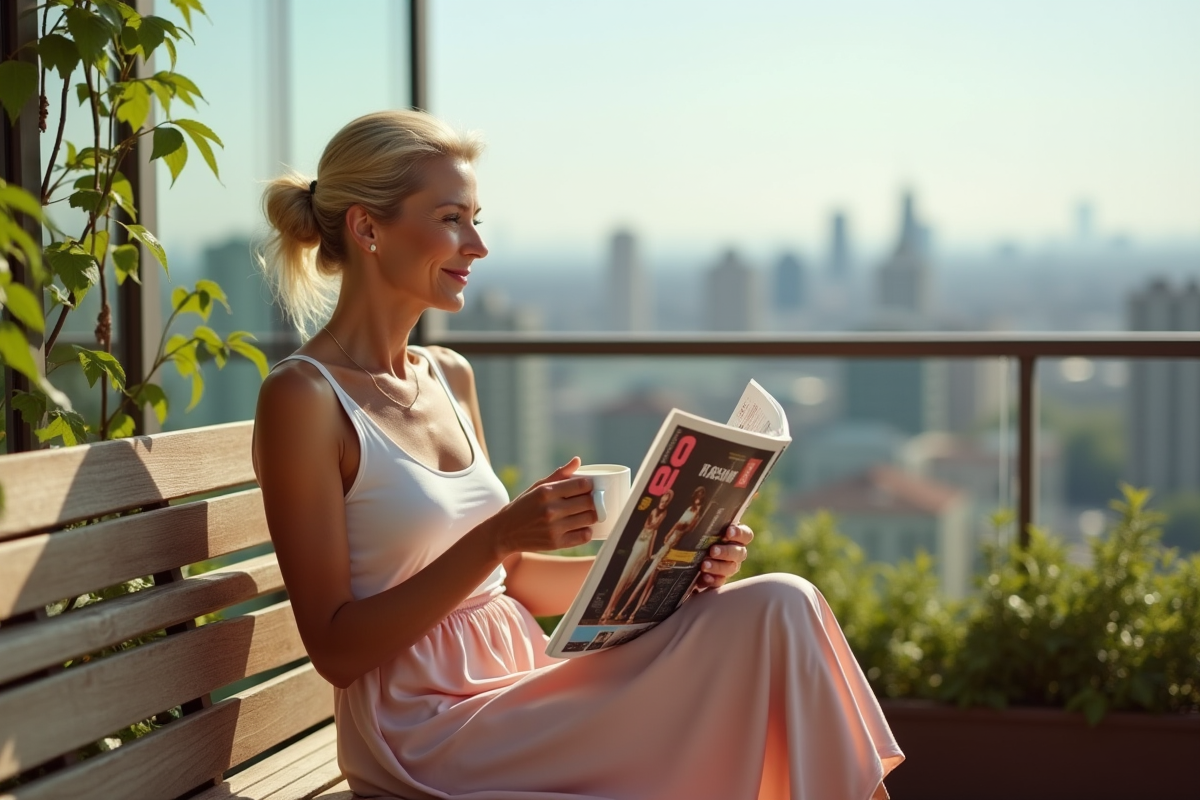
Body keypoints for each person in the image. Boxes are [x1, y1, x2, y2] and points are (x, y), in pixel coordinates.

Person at [253, 109, 903, 800]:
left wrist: (667, 568)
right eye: (451, 218)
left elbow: (509, 583)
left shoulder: (449, 375)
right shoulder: (305, 398)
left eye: (477, 218)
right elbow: (336, 649)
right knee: (775, 622)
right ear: (367, 227)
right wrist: (499, 535)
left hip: (521, 687)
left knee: (781, 603)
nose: (476, 244)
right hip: (426, 731)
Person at [611, 485, 708, 623]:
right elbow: (677, 525)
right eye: (697, 496)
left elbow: (687, 529)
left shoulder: (697, 514)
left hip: (673, 547)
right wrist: (669, 535)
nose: (698, 499)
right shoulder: (688, 509)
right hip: (667, 544)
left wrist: (680, 530)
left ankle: (632, 613)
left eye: (700, 497)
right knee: (645, 580)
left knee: (650, 583)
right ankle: (626, 611)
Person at [598, 488, 673, 623]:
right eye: (662, 500)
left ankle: (612, 609)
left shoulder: (664, 513)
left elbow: (654, 533)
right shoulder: (654, 511)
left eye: (666, 502)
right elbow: (649, 530)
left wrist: (650, 553)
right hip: (639, 544)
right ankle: (607, 610)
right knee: (625, 577)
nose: (663, 503)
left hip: (645, 546)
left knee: (630, 580)